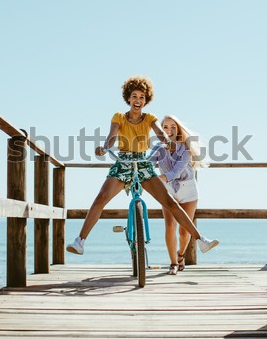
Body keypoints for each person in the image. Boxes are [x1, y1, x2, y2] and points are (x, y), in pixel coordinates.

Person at [66, 76, 219, 265]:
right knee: (101, 198)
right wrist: (104, 147)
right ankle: (80, 241)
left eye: (142, 97)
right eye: (134, 96)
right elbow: (112, 137)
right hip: (123, 161)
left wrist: (165, 139)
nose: (138, 100)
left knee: (170, 203)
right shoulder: (119, 117)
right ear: (128, 99)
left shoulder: (150, 118)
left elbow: (159, 132)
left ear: (146, 101)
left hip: (142, 162)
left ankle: (201, 240)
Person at [153, 115, 211, 275]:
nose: (169, 130)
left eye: (173, 127)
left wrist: (159, 178)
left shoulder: (185, 149)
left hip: (188, 190)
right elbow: (149, 163)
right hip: (169, 190)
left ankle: (180, 255)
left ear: (178, 129)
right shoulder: (158, 148)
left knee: (184, 231)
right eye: (165, 127)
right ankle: (173, 263)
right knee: (170, 226)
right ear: (161, 129)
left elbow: (176, 172)